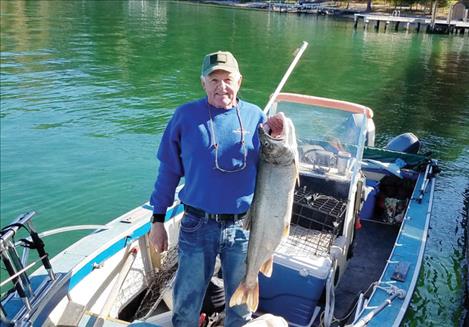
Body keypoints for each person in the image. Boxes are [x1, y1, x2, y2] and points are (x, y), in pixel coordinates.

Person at [149, 51, 280, 326]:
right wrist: (158, 220)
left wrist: (277, 136)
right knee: (185, 305)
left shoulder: (256, 116)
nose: (222, 86)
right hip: (198, 224)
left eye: (228, 79)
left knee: (241, 309)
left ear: (239, 81)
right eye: (214, 79)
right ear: (203, 83)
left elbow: (276, 165)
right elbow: (169, 172)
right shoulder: (185, 116)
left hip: (244, 228)